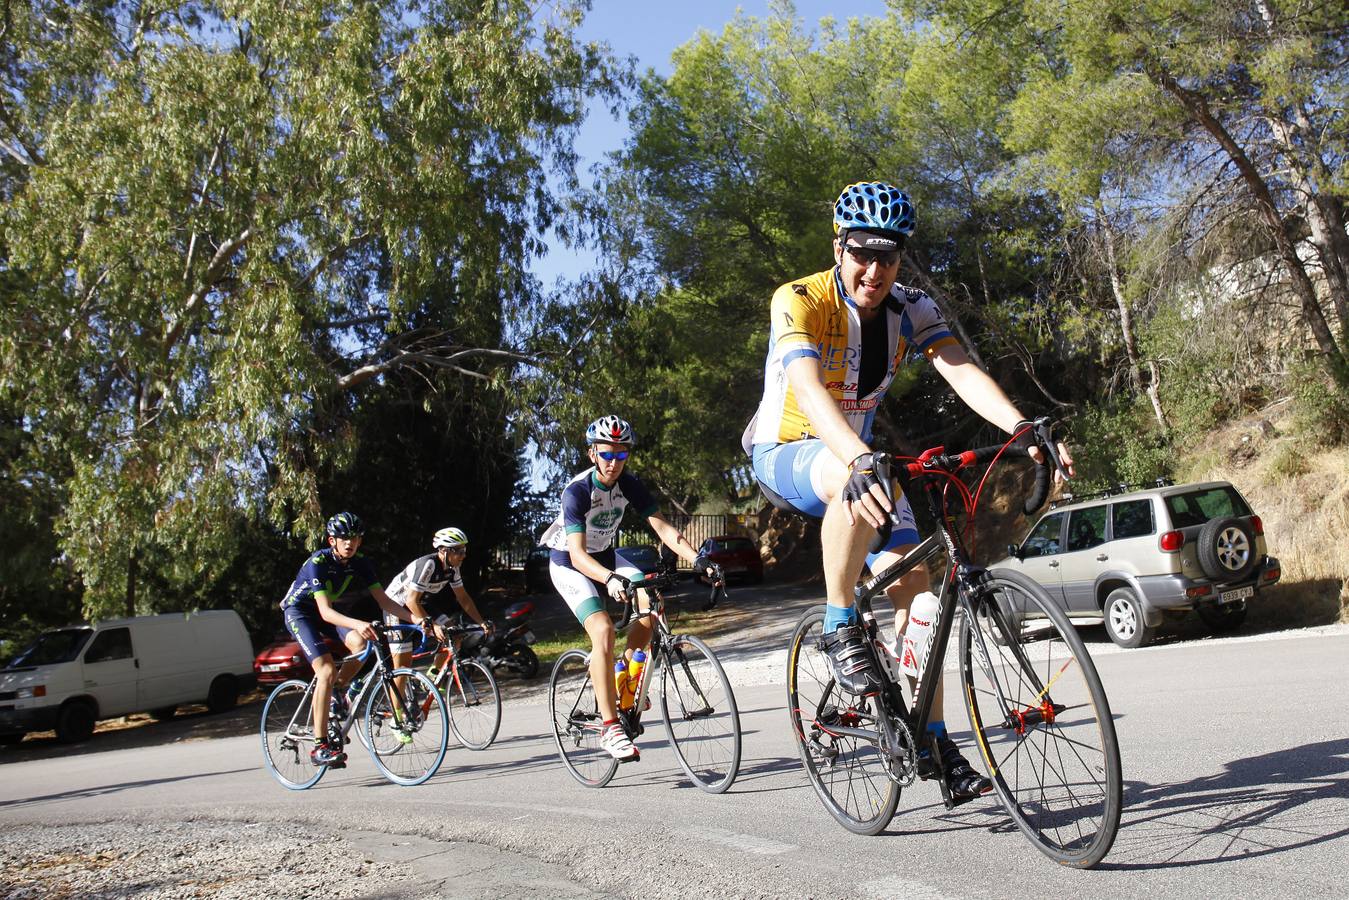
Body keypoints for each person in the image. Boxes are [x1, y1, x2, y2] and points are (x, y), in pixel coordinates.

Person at [743, 181, 1074, 800]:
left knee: (919, 598)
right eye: (862, 253)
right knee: (855, 475)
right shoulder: (799, 299)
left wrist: (1022, 427)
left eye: (889, 257)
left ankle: (934, 742)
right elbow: (811, 392)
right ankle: (840, 623)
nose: (875, 269)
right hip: (789, 452)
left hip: (863, 461)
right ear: (838, 246)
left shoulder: (910, 307)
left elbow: (959, 368)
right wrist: (860, 457)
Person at [540, 415, 723, 762]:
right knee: (603, 629)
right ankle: (610, 727)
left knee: (652, 604)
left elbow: (664, 529)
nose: (613, 462)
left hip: (607, 555)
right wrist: (609, 579)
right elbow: (578, 555)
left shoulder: (629, 484)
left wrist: (699, 560)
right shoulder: (577, 492)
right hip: (569, 562)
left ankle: (623, 679)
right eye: (607, 454)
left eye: (621, 455)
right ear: (593, 453)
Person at [279, 512, 412, 767]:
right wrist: (359, 623)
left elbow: (383, 600)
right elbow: (325, 612)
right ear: (332, 540)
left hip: (328, 613)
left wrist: (414, 619)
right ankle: (319, 747)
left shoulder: (360, 561)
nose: (349, 543)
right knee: (326, 670)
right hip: (302, 613)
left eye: (354, 538)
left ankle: (338, 690)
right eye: (343, 538)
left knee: (360, 645)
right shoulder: (318, 561)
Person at [383, 527, 491, 674]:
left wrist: (481, 622)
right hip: (397, 607)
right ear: (444, 551)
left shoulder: (453, 567)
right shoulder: (429, 564)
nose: (463, 556)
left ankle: (434, 675)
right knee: (402, 668)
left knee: (455, 636)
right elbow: (411, 601)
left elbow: (463, 598)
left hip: (420, 604)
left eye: (464, 551)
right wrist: (433, 625)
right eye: (459, 551)